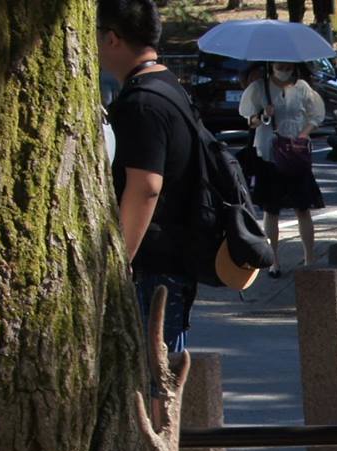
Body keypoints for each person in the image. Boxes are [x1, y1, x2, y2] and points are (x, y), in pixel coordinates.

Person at [99, 0, 204, 355]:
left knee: (153, 380)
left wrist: (118, 262)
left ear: (112, 38)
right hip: (173, 261)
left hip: (152, 268)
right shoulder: (168, 86)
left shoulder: (141, 103)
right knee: (162, 373)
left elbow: (146, 187)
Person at [239, 62, 325, 277]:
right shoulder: (259, 88)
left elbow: (316, 115)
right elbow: (250, 121)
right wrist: (263, 115)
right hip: (269, 154)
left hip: (296, 155)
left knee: (303, 208)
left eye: (287, 64)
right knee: (271, 210)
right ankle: (274, 261)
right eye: (279, 64)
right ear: (271, 64)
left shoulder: (303, 87)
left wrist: (303, 134)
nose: (283, 68)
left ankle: (309, 257)